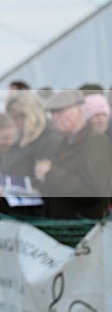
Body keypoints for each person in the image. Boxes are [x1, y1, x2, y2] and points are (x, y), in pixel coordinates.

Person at [36, 90, 112, 220]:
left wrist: (51, 172)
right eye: (52, 113)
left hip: (83, 231)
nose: (54, 117)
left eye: (60, 112)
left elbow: (96, 193)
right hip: (64, 228)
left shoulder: (96, 142)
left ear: (80, 111)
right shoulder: (65, 142)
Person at [0, 92, 61, 217]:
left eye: (17, 117)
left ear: (30, 114)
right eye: (13, 118)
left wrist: (7, 188)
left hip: (35, 214)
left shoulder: (49, 139)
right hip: (13, 211)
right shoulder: (20, 140)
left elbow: (42, 182)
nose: (15, 123)